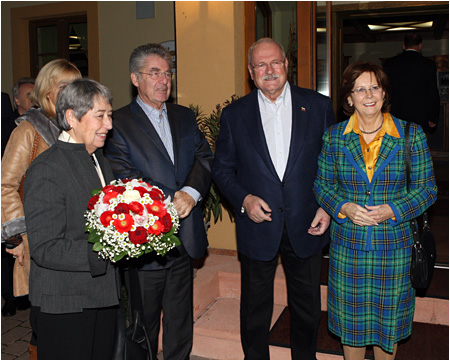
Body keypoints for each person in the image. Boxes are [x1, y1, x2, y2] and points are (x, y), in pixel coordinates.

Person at [212, 37, 335, 360]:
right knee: (255, 307)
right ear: (251, 73)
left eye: (275, 62)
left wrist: (327, 207)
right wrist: (244, 200)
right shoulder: (234, 115)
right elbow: (222, 170)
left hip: (308, 221)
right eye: (260, 65)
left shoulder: (319, 106)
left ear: (286, 65)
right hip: (258, 225)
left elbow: (333, 166)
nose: (269, 70)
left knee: (307, 307)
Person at [313, 62, 437, 360]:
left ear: (384, 93)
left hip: (393, 249)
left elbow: (428, 189)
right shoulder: (334, 137)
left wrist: (392, 210)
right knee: (351, 329)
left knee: (387, 331)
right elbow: (322, 185)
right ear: (349, 98)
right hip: (349, 249)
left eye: (375, 87)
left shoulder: (411, 135)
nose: (369, 94)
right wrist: (343, 206)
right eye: (360, 89)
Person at [104, 43, 213, 359]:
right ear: (135, 79)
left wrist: (190, 195)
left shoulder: (183, 116)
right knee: (144, 324)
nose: (164, 80)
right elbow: (125, 176)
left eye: (168, 73)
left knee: (180, 322)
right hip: (146, 242)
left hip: (185, 238)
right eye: (155, 73)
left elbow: (204, 158)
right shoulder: (118, 123)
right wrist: (170, 199)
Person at [23, 78, 119, 359]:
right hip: (65, 305)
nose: (109, 124)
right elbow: (45, 248)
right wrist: (108, 250)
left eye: (110, 115)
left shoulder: (100, 159)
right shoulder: (47, 169)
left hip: (101, 297)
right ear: (71, 117)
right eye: (100, 116)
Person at [1, 58, 81, 357]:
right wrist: (17, 236)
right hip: (40, 239)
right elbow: (5, 184)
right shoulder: (27, 132)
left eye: (76, 86)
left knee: (74, 319)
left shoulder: (79, 127)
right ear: (47, 91)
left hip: (75, 238)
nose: (72, 93)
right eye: (64, 86)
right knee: (46, 322)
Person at [383, 33, 440, 133]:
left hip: (395, 113)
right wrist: (433, 117)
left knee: (395, 145)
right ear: (420, 46)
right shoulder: (428, 64)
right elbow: (432, 92)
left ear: (404, 46)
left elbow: (384, 90)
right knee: (418, 145)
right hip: (419, 115)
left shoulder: (389, 63)